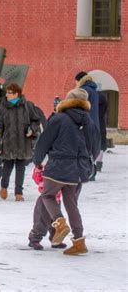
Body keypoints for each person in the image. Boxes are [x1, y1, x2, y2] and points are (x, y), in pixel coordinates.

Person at [33, 88, 99, 255]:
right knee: (71, 204)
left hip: (58, 168)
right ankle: (79, 241)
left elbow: (44, 141)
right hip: (78, 171)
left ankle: (59, 222)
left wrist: (38, 160)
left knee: (47, 195)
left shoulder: (59, 118)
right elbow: (96, 148)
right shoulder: (89, 122)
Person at [0, 83, 40, 201]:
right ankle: (4, 186)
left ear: (16, 94)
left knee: (21, 169)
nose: (6, 94)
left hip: (23, 142)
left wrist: (31, 130)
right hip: (8, 142)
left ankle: (19, 193)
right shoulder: (2, 108)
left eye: (9, 92)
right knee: (7, 167)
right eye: (6, 92)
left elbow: (36, 120)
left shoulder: (28, 106)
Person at [27, 165, 65, 250]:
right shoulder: (47, 167)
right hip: (44, 199)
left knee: (56, 221)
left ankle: (55, 239)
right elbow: (37, 178)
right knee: (41, 220)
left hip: (56, 200)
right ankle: (34, 239)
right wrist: (39, 169)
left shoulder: (64, 168)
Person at [96, 91, 108, 172]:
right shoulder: (104, 99)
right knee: (101, 145)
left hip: (94, 121)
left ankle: (93, 164)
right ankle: (99, 164)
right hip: (101, 122)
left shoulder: (92, 100)